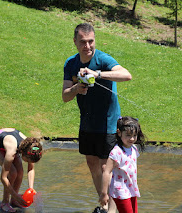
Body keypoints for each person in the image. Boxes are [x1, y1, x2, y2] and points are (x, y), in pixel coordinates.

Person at [62, 23, 132, 212]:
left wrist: (97, 74)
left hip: (108, 123)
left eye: (91, 41)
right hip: (87, 122)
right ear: (75, 42)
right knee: (92, 164)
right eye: (83, 42)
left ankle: (111, 210)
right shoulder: (71, 63)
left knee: (105, 167)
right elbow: (65, 96)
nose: (88, 46)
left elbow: (126, 75)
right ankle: (104, 203)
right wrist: (76, 88)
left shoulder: (103, 59)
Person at [0, 128, 42, 212]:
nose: (28, 163)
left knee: (20, 172)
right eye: (27, 161)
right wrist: (16, 195)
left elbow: (31, 169)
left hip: (10, 142)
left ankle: (13, 201)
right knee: (12, 173)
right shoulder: (12, 151)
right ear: (23, 153)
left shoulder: (32, 148)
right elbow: (3, 178)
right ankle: (5, 203)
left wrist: (31, 189)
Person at [99, 116, 146, 213]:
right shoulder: (116, 152)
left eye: (134, 135)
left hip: (131, 188)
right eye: (128, 135)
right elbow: (107, 172)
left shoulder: (133, 148)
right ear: (119, 133)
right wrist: (104, 194)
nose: (132, 138)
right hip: (120, 190)